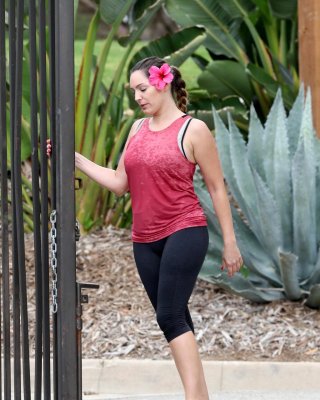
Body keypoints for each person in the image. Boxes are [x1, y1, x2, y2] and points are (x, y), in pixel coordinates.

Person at [47, 56, 243, 400]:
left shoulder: (192, 129)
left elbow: (215, 187)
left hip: (184, 230)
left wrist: (230, 242)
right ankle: (201, 395)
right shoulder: (137, 129)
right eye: (133, 91)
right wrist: (73, 158)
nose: (137, 96)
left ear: (162, 82)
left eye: (142, 88)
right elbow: (120, 182)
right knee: (176, 317)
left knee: (168, 315)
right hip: (144, 240)